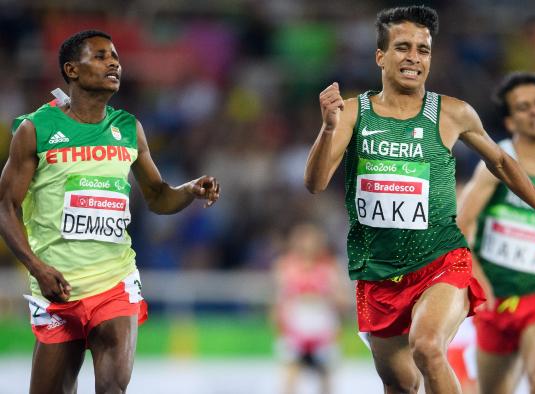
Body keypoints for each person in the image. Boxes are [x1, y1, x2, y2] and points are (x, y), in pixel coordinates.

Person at [304, 6, 535, 393]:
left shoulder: (452, 113)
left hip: (440, 261)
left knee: (427, 347)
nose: (413, 57)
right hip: (377, 273)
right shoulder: (353, 114)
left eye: (423, 50)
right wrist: (327, 129)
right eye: (403, 47)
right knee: (401, 383)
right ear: (380, 55)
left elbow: (501, 162)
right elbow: (316, 182)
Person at [0, 30, 220, 394]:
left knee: (113, 385)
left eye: (115, 56)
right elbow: (6, 207)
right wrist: (38, 268)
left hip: (115, 282)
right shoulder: (35, 129)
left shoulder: (128, 128)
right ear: (71, 69)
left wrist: (189, 191)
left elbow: (158, 197)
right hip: (58, 288)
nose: (114, 62)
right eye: (100, 56)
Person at [455, 72, 535, 394]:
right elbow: (460, 228)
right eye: (523, 107)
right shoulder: (496, 164)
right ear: (510, 121)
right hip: (496, 298)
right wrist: (479, 280)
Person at [271, 223, 349, 394]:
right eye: (302, 239)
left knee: (326, 379)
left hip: (322, 331)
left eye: (310, 239)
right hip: (295, 331)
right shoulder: (285, 265)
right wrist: (278, 324)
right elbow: (278, 299)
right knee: (289, 377)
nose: (306, 244)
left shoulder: (330, 266)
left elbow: (343, 301)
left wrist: (329, 293)